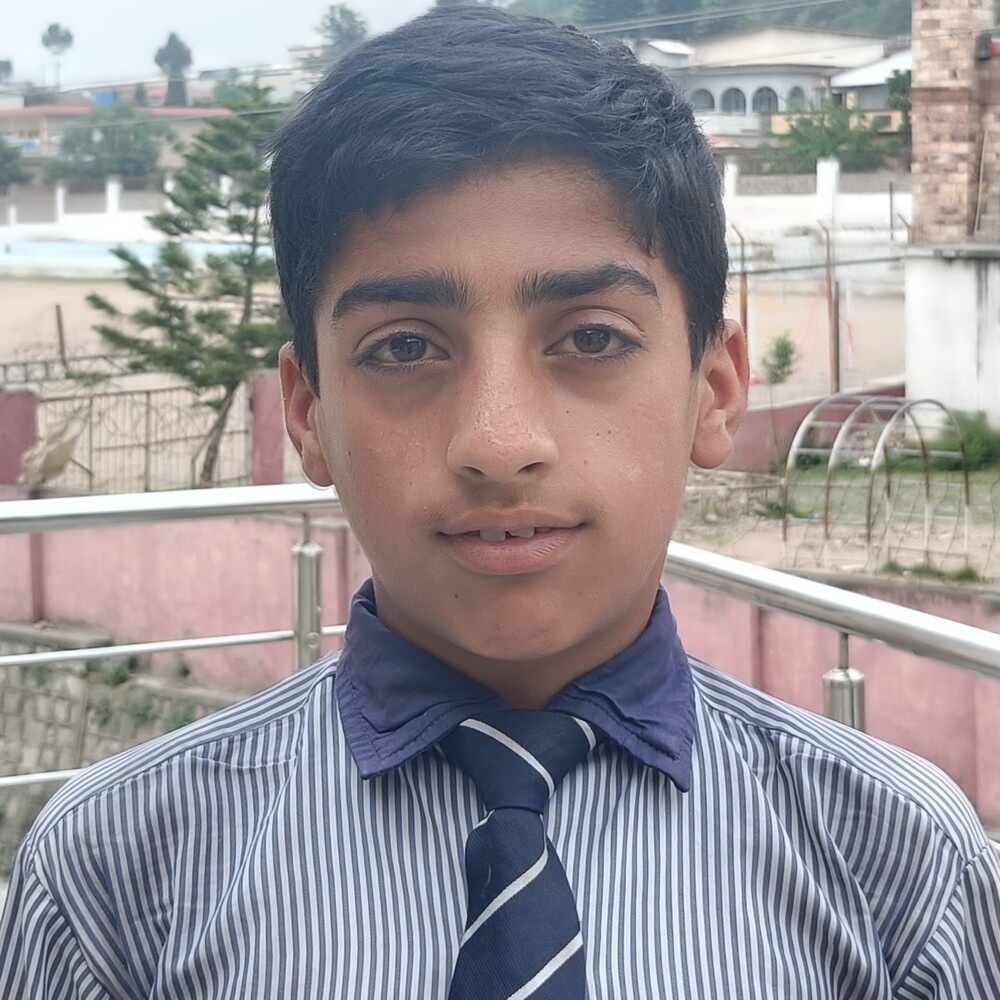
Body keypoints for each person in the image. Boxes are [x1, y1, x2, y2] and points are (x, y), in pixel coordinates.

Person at [2, 8, 999, 997]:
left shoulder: (898, 868)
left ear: (715, 389)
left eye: (592, 338)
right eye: (403, 347)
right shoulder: (116, 880)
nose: (497, 441)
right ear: (309, 413)